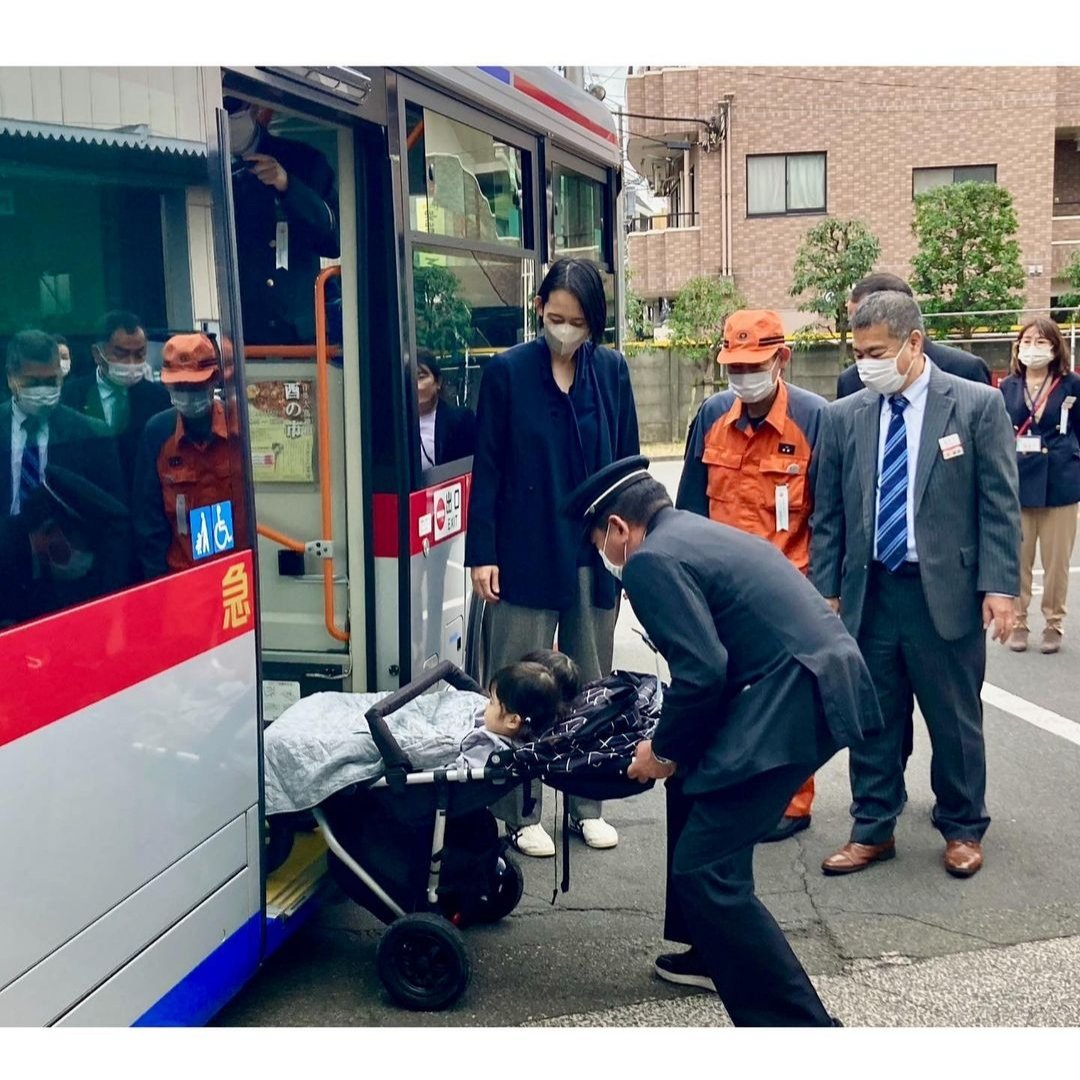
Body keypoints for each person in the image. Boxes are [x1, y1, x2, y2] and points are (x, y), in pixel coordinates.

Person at [563, 455, 881, 1026]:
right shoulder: (689, 531)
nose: (602, 557)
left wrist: (660, 752)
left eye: (598, 544)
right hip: (812, 679)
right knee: (692, 792)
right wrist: (675, 750)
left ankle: (802, 1032)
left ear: (617, 528)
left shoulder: (649, 562)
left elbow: (703, 671)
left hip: (792, 698)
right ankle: (711, 951)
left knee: (705, 871)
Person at [811, 291, 1020, 880]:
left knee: (953, 718)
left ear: (913, 343)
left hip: (944, 590)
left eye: (877, 353)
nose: (866, 365)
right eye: (858, 354)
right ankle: (872, 827)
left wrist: (1000, 586)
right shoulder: (845, 415)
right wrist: (826, 589)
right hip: (872, 589)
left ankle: (962, 825)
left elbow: (999, 503)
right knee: (873, 717)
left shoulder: (975, 405)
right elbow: (829, 514)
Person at [466, 256, 640, 857]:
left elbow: (629, 463)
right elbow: (487, 469)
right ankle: (517, 811)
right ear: (539, 309)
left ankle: (586, 805)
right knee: (519, 684)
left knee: (593, 682)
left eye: (577, 321)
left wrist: (632, 548)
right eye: (555, 316)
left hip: (594, 554)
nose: (564, 329)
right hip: (523, 550)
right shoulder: (508, 373)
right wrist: (482, 553)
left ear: (595, 322)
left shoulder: (610, 372)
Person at [677, 309, 825, 844]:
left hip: (789, 589)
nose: (742, 376)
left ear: (782, 358)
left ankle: (791, 802)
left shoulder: (814, 418)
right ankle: (731, 791)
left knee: (784, 702)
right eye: (734, 367)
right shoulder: (712, 415)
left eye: (753, 365)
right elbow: (689, 508)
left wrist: (824, 592)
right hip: (721, 590)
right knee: (722, 693)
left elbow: (829, 515)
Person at [2, 330, 129, 623]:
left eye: (51, 381)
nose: (43, 390)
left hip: (74, 584)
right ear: (11, 378)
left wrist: (111, 600)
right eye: (32, 382)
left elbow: (116, 521)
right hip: (6, 579)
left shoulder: (91, 433)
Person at [225, 96, 340, 346]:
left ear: (254, 107)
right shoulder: (206, 162)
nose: (224, 116)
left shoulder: (303, 160)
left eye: (231, 106)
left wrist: (288, 185)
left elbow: (333, 240)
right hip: (240, 334)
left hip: (296, 334)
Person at [998, 318, 1080, 655]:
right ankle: (1019, 621)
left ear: (1055, 347)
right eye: (1027, 341)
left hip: (1059, 483)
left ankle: (1053, 623)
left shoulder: (1072, 385)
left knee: (1056, 562)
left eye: (1041, 341)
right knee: (1018, 559)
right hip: (1018, 481)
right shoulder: (1007, 386)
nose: (1033, 347)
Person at [132, 333, 235, 579]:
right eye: (180, 387)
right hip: (182, 576)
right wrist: (159, 584)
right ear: (168, 385)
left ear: (214, 380)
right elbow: (149, 520)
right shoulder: (157, 433)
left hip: (236, 573)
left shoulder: (238, 427)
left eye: (195, 386)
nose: (188, 395)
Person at [61, 311, 171, 493]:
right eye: (121, 354)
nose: (131, 363)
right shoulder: (70, 396)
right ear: (97, 354)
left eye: (139, 354)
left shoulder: (159, 399)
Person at [835, 273, 991, 399]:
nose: (859, 326)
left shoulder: (965, 370)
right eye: (853, 320)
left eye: (867, 316)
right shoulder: (850, 381)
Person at [416, 349, 476, 468]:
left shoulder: (460, 420)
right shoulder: (397, 426)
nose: (415, 385)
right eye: (409, 378)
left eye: (421, 377)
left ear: (438, 382)